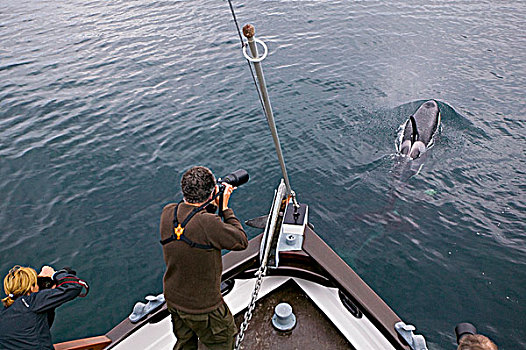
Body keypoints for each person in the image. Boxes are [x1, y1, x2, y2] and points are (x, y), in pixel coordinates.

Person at [160, 166, 248, 350]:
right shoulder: (209, 224)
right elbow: (241, 241)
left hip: (175, 300)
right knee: (223, 342)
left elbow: (195, 223)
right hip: (204, 308)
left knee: (185, 344)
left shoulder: (168, 213)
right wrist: (224, 208)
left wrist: (210, 203)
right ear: (211, 193)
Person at [0, 265, 86, 349]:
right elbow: (74, 286)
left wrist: (49, 294)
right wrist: (54, 274)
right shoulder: (32, 302)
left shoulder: (4, 313)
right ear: (31, 288)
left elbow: (38, 328)